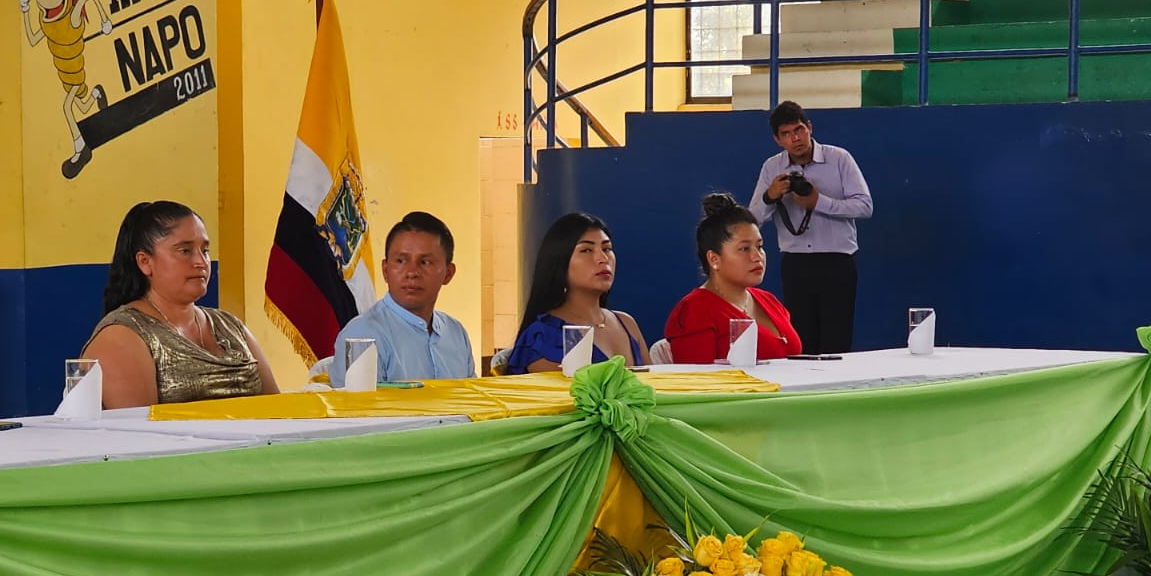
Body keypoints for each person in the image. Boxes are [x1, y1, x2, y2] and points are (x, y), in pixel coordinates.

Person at [82, 201, 280, 407]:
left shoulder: (231, 326)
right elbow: (138, 434)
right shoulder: (122, 336)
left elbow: (279, 412)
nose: (201, 262)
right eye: (185, 251)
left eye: (205, 250)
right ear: (145, 262)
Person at [748, 101, 872, 354]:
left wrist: (819, 202)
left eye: (799, 130)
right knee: (800, 340)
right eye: (787, 134)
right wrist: (770, 196)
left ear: (810, 128)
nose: (795, 139)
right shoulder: (772, 167)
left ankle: (837, 392)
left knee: (836, 338)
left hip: (837, 261)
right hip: (796, 264)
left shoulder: (839, 159)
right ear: (777, 139)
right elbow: (753, 220)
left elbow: (865, 206)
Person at [329, 211, 475, 387]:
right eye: (400, 261)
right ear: (385, 270)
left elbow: (471, 402)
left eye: (425, 262)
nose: (412, 273)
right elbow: (356, 412)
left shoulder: (456, 333)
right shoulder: (362, 335)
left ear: (448, 273)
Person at [506, 212, 649, 375]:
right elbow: (562, 397)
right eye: (587, 250)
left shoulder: (626, 323)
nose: (602, 258)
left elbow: (656, 386)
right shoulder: (544, 335)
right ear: (559, 261)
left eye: (607, 249)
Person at [665, 193, 801, 363]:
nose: (757, 257)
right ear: (714, 259)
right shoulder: (694, 310)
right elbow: (695, 384)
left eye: (759, 247)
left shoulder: (770, 301)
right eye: (744, 249)